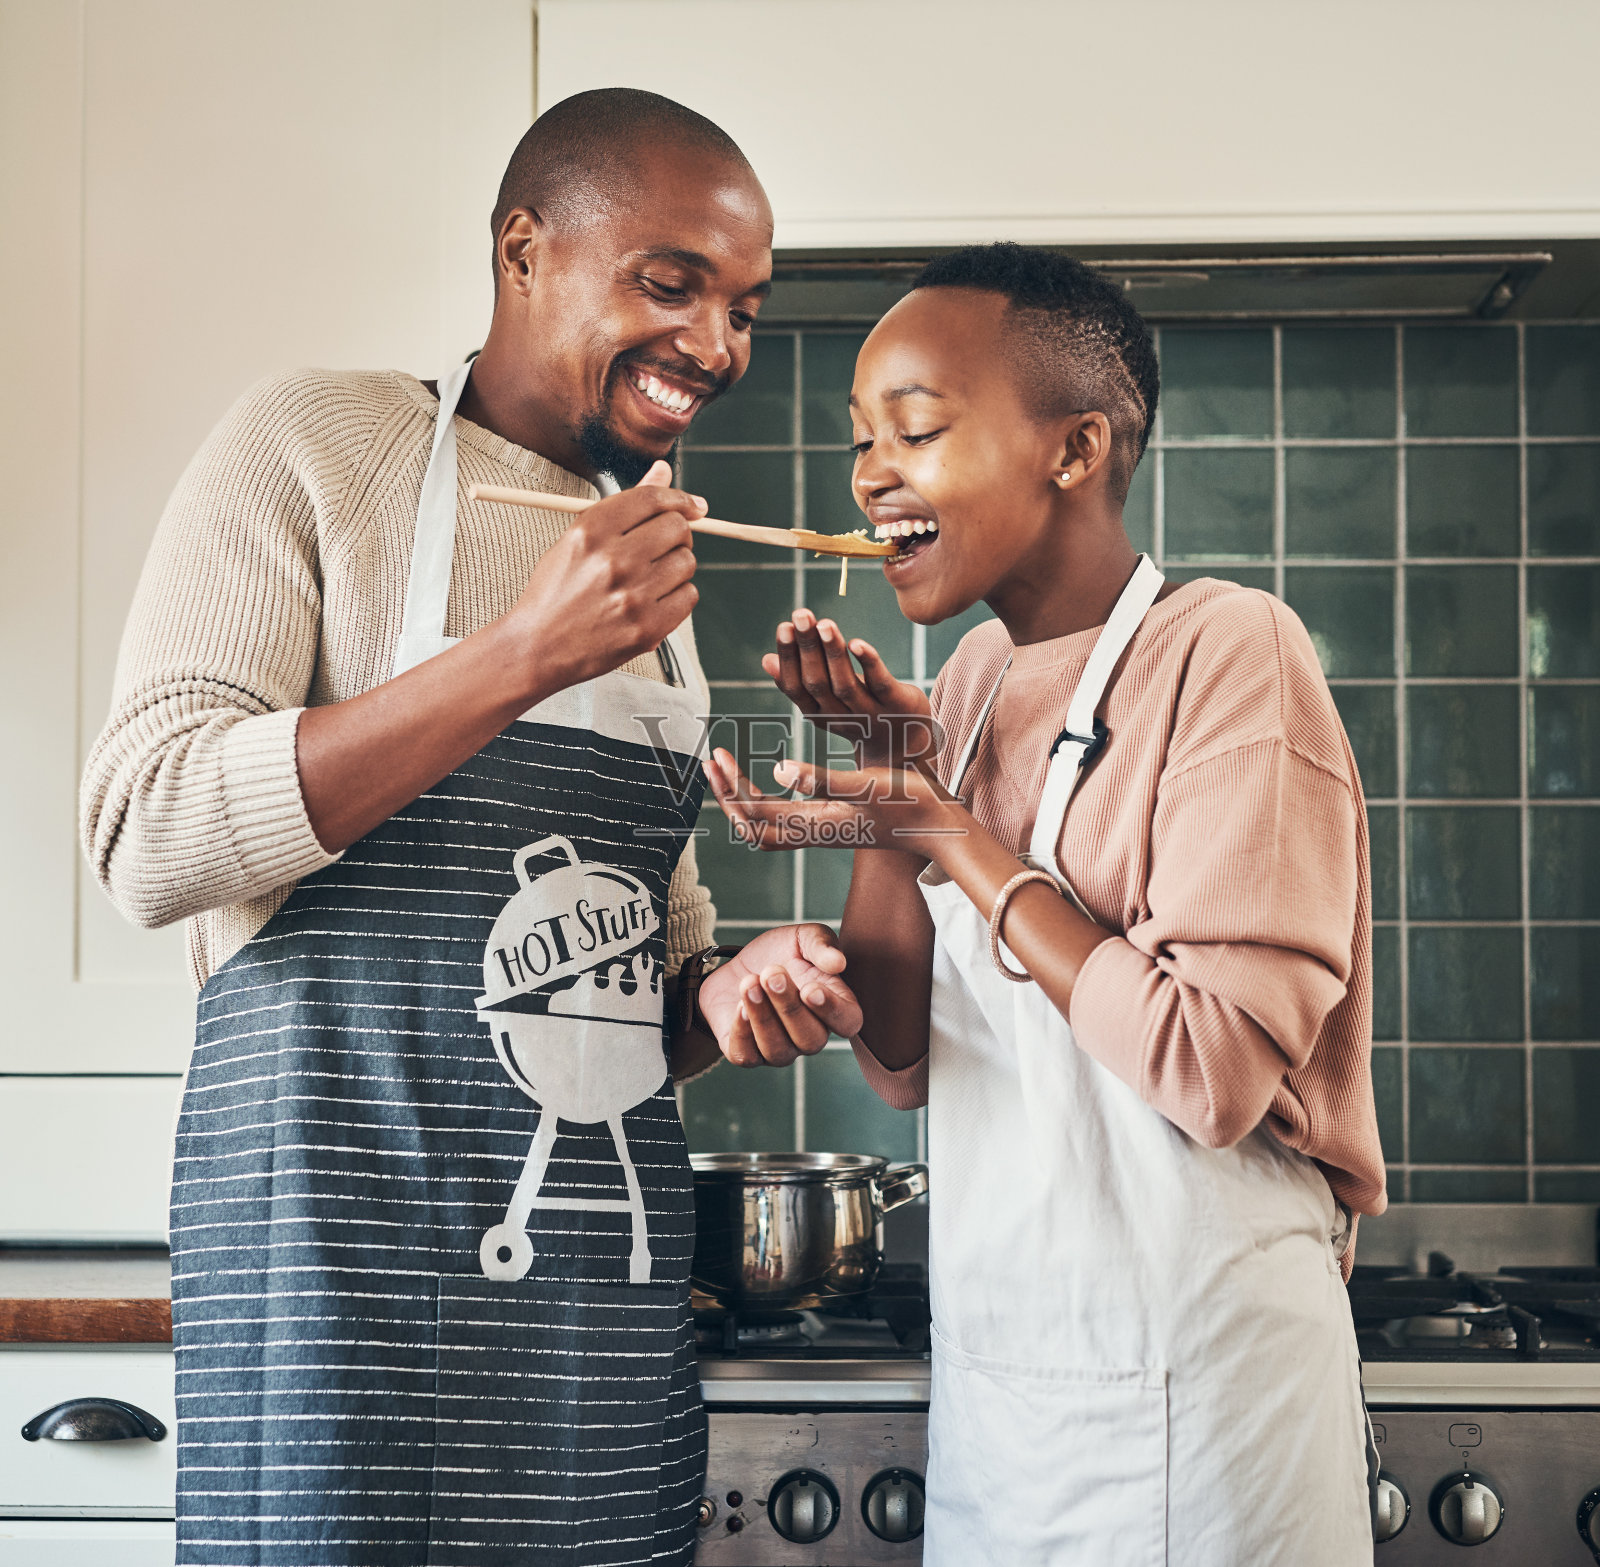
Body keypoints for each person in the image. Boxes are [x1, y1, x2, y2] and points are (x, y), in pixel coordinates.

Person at [80, 89, 860, 1566]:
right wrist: (523, 654)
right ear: (522, 249)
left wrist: (728, 996)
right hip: (333, 1335)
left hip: (586, 1351)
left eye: (745, 308)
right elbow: (147, 829)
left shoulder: (655, 586)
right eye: (671, 282)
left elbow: (623, 1015)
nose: (717, 346)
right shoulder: (318, 443)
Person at [702, 242, 1387, 1565]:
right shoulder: (961, 685)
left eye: (915, 429)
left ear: (1074, 452)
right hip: (1008, 1419)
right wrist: (895, 809)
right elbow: (903, 1060)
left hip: (1211, 1411)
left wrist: (944, 827)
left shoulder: (1231, 654)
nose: (869, 475)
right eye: (860, 442)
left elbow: (1211, 1069)